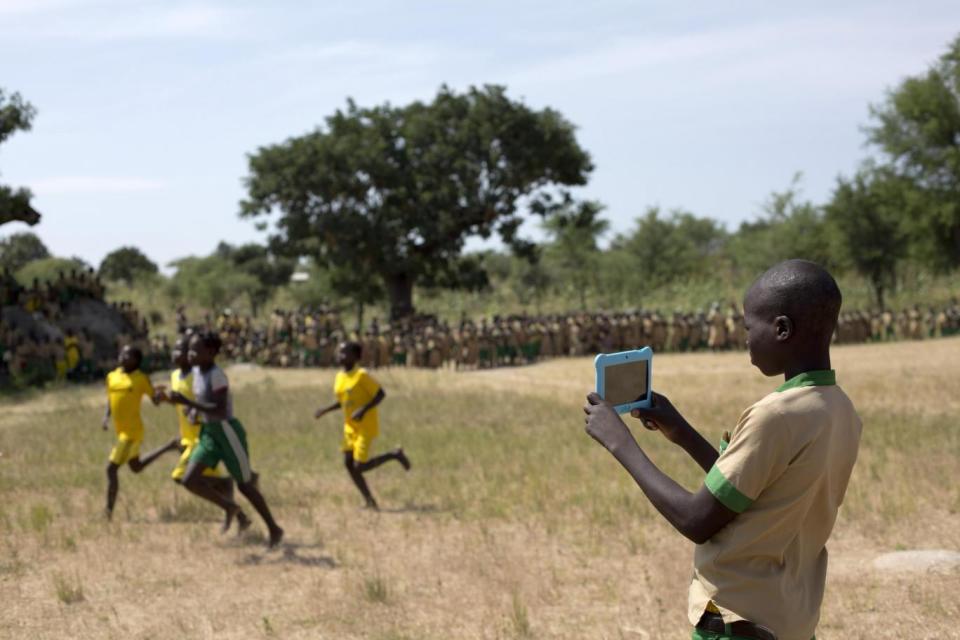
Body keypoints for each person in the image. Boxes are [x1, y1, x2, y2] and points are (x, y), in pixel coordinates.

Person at [583, 260, 862, 640]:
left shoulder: (774, 416)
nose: (744, 337)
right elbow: (751, 491)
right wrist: (682, 432)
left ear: (781, 329)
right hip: (790, 618)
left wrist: (620, 443)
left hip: (739, 619)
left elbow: (697, 519)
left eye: (750, 327)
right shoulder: (839, 408)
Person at [168, 331, 284, 547]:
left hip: (227, 432)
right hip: (209, 434)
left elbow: (219, 409)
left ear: (211, 353)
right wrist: (193, 413)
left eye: (196, 350)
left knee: (245, 486)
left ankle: (274, 528)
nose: (190, 354)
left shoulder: (217, 375)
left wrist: (190, 404)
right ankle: (231, 507)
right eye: (189, 349)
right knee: (189, 480)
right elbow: (202, 401)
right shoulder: (197, 372)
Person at [166, 335, 248, 533]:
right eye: (175, 349)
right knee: (191, 479)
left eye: (184, 350)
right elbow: (187, 401)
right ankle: (237, 511)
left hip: (201, 434)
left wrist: (192, 409)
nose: (178, 354)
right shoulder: (176, 375)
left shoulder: (201, 374)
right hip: (189, 434)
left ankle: (230, 501)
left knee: (183, 478)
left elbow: (206, 402)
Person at [314, 341, 411, 510]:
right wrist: (325, 410)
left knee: (360, 466)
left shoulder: (362, 375)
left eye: (345, 353)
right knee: (348, 464)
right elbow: (343, 401)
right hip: (350, 426)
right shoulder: (339, 376)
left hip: (366, 425)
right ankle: (369, 501)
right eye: (339, 352)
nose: (340, 356)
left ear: (356, 357)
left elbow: (381, 394)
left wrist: (363, 410)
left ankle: (394, 454)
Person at [103, 345, 178, 520]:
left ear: (136, 360)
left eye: (128, 354)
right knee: (135, 467)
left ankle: (107, 512)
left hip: (132, 432)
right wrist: (106, 417)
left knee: (110, 469)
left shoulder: (141, 379)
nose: (122, 356)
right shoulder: (112, 376)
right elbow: (110, 398)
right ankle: (168, 446)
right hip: (120, 431)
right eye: (122, 353)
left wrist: (163, 396)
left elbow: (154, 400)